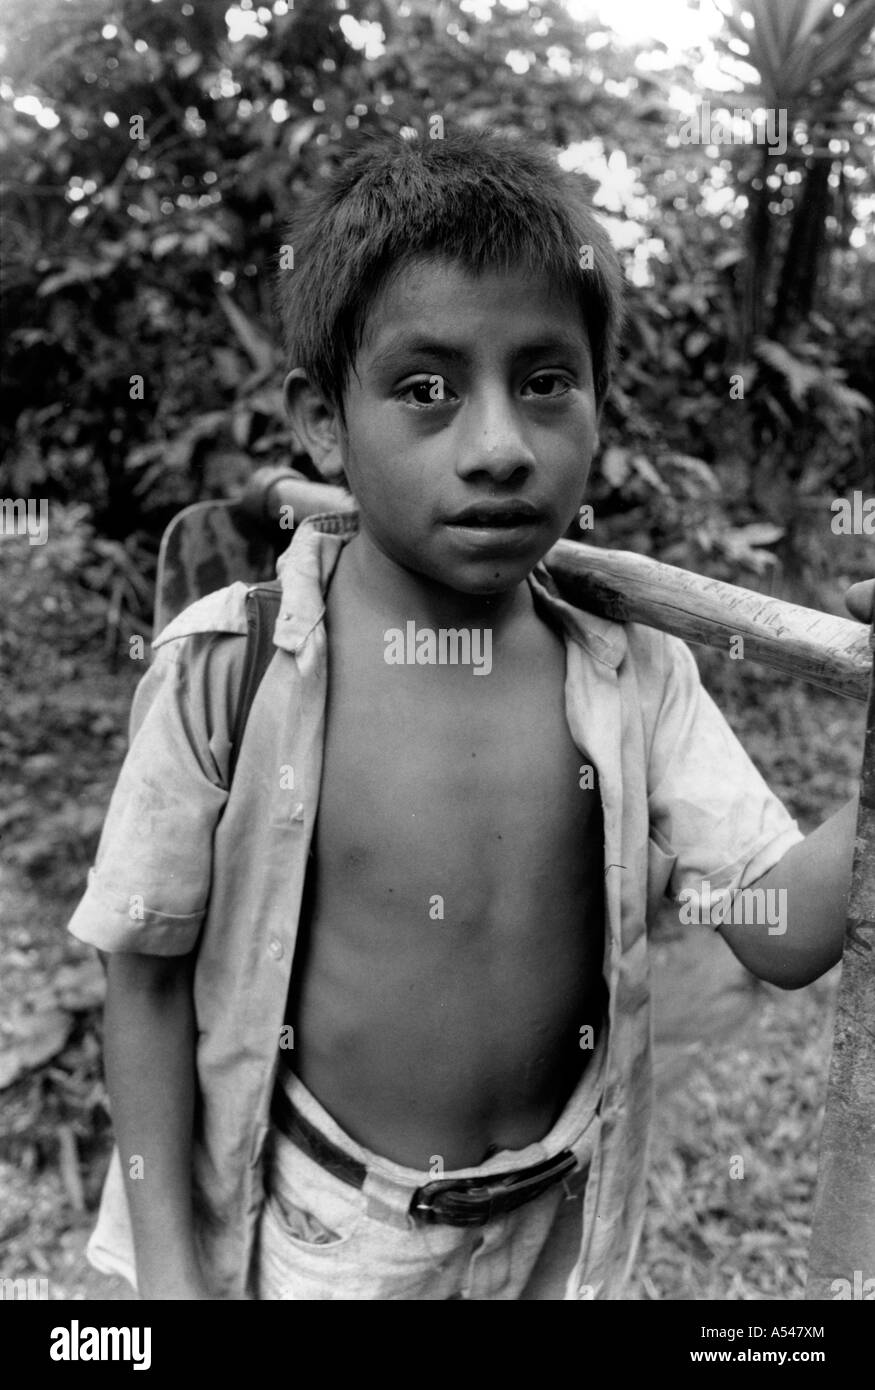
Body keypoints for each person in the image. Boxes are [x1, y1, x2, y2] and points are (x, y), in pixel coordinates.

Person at [68, 128, 873, 1301]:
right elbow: (141, 984)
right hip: (330, 1233)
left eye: (544, 381)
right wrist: (173, 1282)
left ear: (597, 404)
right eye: (425, 388)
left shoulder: (630, 667)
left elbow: (782, 936)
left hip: (554, 1228)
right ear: (323, 423)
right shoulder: (226, 668)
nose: (497, 447)